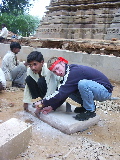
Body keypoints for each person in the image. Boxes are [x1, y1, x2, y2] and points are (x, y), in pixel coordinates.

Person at [35, 56, 113, 121]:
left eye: (58, 68)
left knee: (83, 84)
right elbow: (64, 93)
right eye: (55, 71)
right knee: (69, 90)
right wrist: (52, 106)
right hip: (96, 89)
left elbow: (60, 94)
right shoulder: (67, 74)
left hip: (105, 91)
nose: (58, 72)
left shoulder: (73, 72)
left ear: (62, 63)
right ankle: (85, 107)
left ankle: (90, 111)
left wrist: (42, 102)